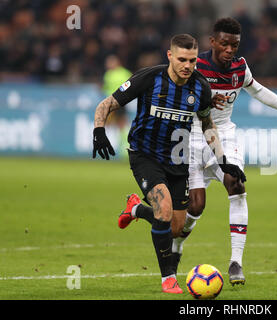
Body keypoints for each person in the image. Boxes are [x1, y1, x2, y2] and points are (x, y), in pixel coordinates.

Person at [92, 34, 245, 294]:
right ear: (170, 56)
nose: (188, 65)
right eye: (182, 59)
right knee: (163, 210)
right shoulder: (149, 78)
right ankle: (168, 278)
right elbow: (108, 103)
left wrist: (223, 161)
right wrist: (98, 130)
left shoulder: (200, 87)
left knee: (174, 227)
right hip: (145, 156)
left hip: (178, 162)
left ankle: (136, 210)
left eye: (193, 60)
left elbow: (207, 124)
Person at [175, 17, 277, 285]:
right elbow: (176, 98)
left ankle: (236, 262)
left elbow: (259, 91)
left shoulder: (240, 68)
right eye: (225, 44)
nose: (230, 50)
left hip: (224, 135)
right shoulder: (194, 66)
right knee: (195, 206)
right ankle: (177, 246)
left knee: (236, 184)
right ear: (213, 42)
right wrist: (201, 100)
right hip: (191, 138)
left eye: (235, 45)